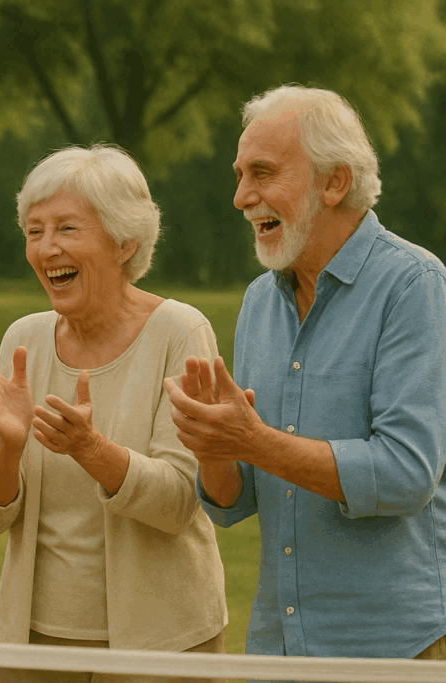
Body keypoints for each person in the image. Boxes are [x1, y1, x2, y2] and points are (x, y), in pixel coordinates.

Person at [165, 84, 446, 663]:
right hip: (278, 649)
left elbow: (405, 473)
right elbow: (234, 502)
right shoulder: (258, 302)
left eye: (262, 173)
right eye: (240, 174)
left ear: (334, 182)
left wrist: (255, 441)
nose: (242, 197)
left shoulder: (415, 286)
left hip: (395, 650)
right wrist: (214, 446)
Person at [0, 145, 227, 683]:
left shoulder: (181, 332)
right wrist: (10, 446)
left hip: (160, 646)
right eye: (34, 231)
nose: (46, 248)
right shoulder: (24, 339)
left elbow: (179, 501)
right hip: (36, 646)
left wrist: (90, 449)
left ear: (126, 241)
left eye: (67, 229)